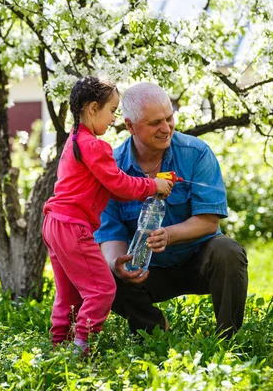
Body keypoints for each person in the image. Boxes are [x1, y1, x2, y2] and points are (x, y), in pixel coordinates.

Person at [94, 82, 249, 338]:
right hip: (146, 270)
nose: (166, 128)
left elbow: (209, 222)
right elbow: (111, 233)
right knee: (101, 271)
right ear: (130, 126)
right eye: (155, 123)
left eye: (169, 118)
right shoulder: (112, 168)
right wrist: (115, 264)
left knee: (228, 251)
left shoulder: (196, 153)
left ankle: (228, 340)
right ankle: (153, 329)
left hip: (198, 261)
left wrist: (169, 234)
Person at [42, 77, 173, 352]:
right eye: (111, 110)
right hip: (73, 226)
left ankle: (58, 348)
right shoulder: (95, 145)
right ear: (92, 109)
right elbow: (118, 183)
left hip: (55, 224)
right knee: (102, 289)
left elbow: (106, 186)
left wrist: (146, 188)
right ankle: (81, 348)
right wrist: (152, 185)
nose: (114, 119)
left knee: (69, 294)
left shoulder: (75, 141)